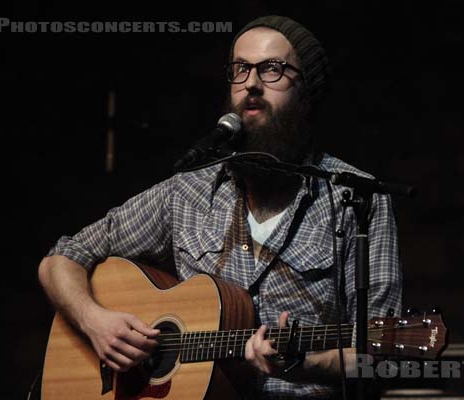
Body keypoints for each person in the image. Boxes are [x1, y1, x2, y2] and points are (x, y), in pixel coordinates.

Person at [38, 15, 402, 399]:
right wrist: (95, 321)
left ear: (307, 90)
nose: (252, 84)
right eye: (241, 69)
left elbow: (384, 350)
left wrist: (301, 364)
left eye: (273, 70)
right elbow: (63, 258)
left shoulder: (356, 198)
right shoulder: (188, 192)